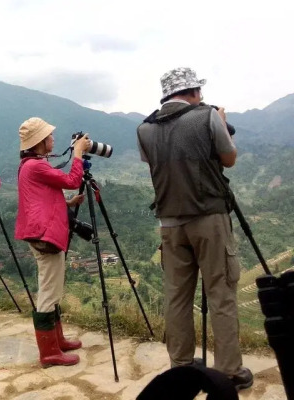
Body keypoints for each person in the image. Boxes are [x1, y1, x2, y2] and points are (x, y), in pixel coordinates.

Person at [136, 67, 252, 391]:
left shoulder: (145, 128)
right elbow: (228, 159)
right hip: (209, 219)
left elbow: (154, 163)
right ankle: (230, 372)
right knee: (221, 294)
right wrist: (220, 123)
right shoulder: (207, 117)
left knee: (177, 298)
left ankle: (181, 369)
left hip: (170, 226)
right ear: (194, 92)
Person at [15, 117, 90, 367]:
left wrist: (66, 204)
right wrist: (78, 154)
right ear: (39, 141)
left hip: (40, 231)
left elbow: (39, 198)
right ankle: (49, 353)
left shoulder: (30, 165)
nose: (53, 139)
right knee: (48, 292)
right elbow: (71, 181)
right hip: (44, 235)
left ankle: (57, 341)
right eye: (49, 136)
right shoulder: (36, 166)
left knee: (53, 289)